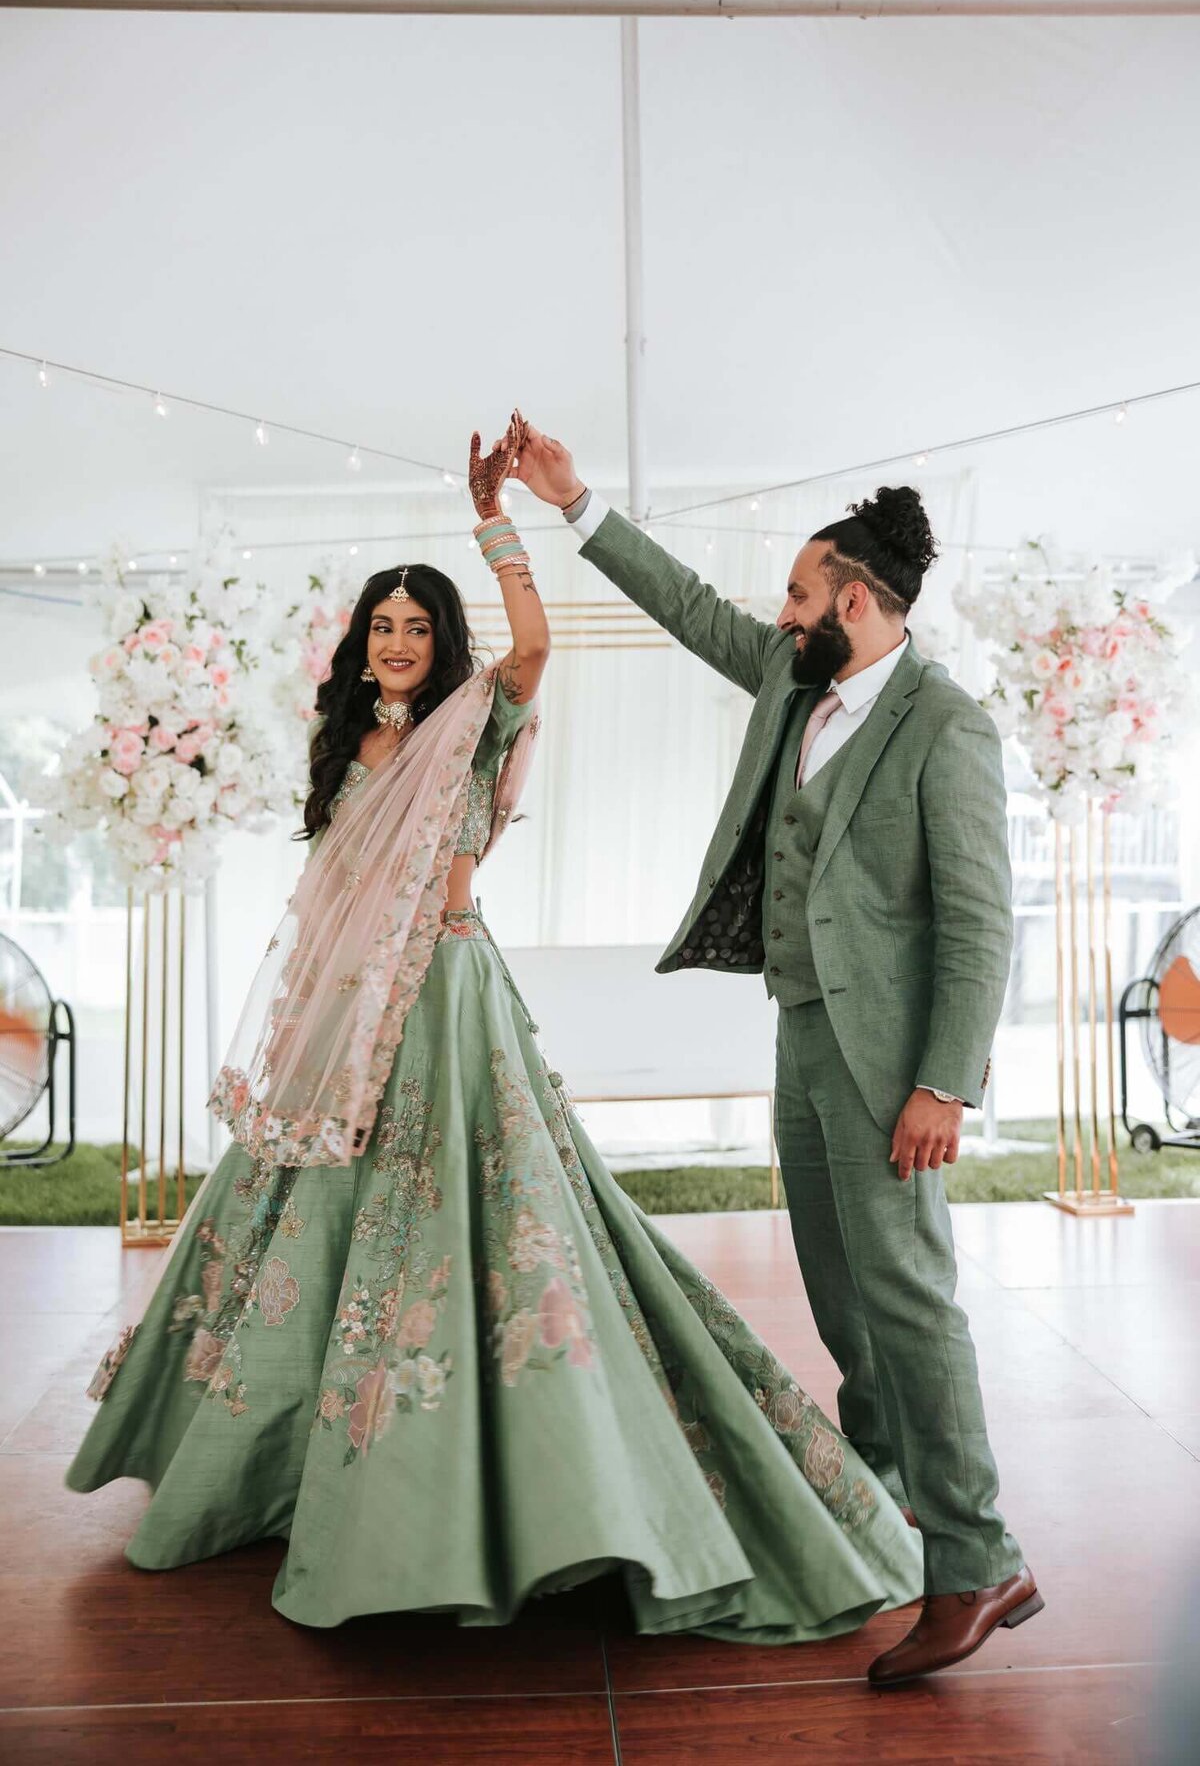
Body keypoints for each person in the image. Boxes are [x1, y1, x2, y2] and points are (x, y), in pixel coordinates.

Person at [67, 414, 922, 1644]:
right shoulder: (347, 746)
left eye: (420, 627)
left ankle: (502, 1483)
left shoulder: (482, 715)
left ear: (443, 643)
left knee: (478, 1223)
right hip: (348, 1006)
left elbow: (533, 642)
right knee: (305, 1218)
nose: (403, 643)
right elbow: (328, 896)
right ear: (362, 645)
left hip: (451, 997)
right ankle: (276, 1459)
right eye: (386, 627)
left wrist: (497, 525)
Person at [513, 425, 1041, 1684]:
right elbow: (685, 604)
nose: (781, 609)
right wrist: (573, 500)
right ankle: (885, 1506)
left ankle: (979, 1562)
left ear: (856, 601)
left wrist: (944, 1083)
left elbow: (980, 923)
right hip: (804, 1035)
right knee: (842, 1297)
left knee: (911, 1302)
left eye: (800, 592)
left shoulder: (945, 727)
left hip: (894, 1066)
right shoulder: (795, 677)